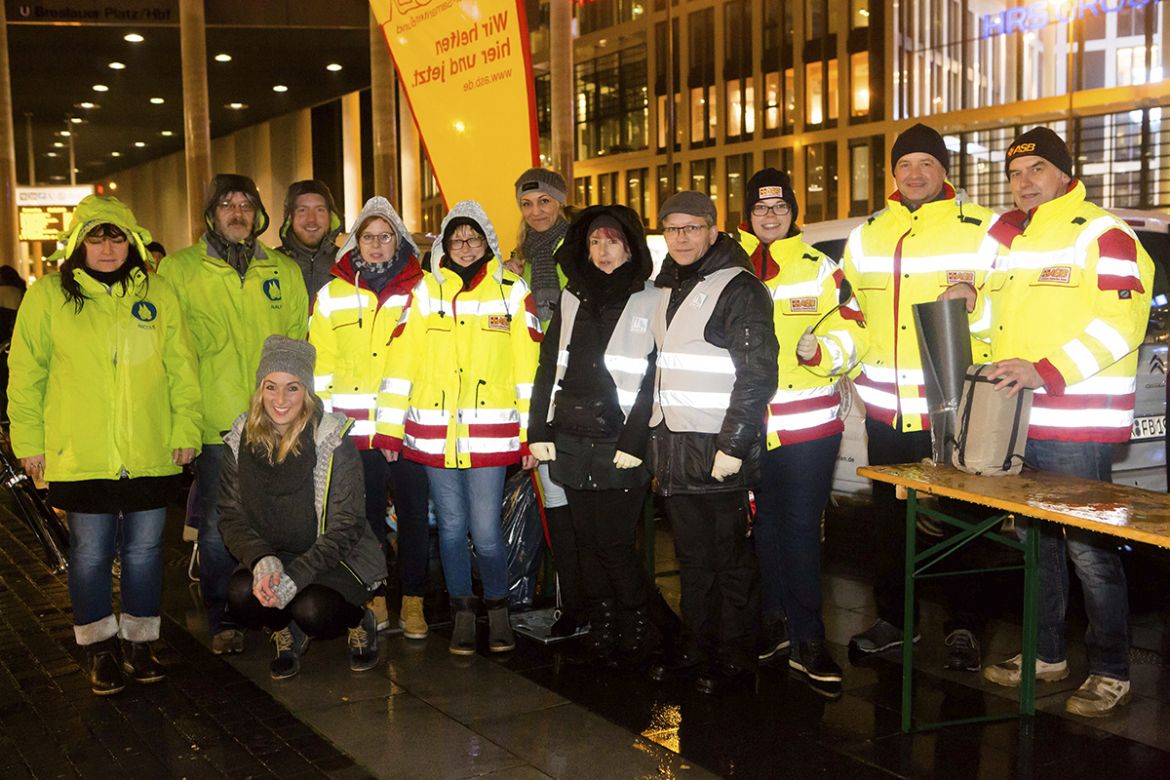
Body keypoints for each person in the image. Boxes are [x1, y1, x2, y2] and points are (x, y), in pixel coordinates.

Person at [944, 127, 1152, 717]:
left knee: (1091, 551)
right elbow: (996, 335)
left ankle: (1111, 669)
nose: (1025, 181)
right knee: (1036, 544)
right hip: (1015, 422)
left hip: (1075, 422)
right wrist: (972, 301)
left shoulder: (1104, 234)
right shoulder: (1010, 245)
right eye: (1015, 173)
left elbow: (1121, 325)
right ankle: (1046, 654)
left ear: (1064, 174)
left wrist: (1046, 371)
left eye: (1037, 168)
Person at [8, 195, 201, 695]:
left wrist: (185, 430)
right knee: (90, 556)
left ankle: (139, 642)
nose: (107, 248)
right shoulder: (49, 296)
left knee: (144, 552)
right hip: (80, 453)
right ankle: (98, 648)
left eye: (116, 236)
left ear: (131, 242)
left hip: (149, 449)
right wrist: (30, 443)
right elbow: (26, 376)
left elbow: (182, 368)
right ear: (78, 244)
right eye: (96, 237)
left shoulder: (157, 293)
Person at [843, 123, 999, 672]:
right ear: (893, 174)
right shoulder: (868, 235)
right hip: (888, 407)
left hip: (956, 406)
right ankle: (896, 622)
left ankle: (965, 626)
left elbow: (1011, 310)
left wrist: (975, 299)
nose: (914, 174)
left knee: (963, 519)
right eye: (904, 165)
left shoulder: (984, 229)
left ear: (944, 170)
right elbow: (850, 312)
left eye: (926, 164)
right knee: (889, 520)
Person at [376, 201, 541, 656]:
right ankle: (463, 611)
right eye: (456, 238)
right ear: (444, 245)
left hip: (491, 436)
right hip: (434, 434)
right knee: (449, 528)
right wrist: (389, 429)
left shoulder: (511, 291)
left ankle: (499, 608)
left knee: (485, 530)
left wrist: (530, 435)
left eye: (473, 238)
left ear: (487, 242)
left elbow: (529, 370)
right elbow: (399, 364)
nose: (464, 247)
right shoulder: (424, 293)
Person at [159, 174, 309, 656]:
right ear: (210, 213)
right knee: (220, 526)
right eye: (227, 203)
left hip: (278, 420)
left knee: (279, 518)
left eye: (246, 203)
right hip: (215, 423)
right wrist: (181, 421)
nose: (238, 211)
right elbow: (171, 354)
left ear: (260, 213)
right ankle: (224, 614)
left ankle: (276, 609)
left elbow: (298, 345)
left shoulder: (282, 270)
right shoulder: (180, 271)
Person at [645, 191, 778, 695]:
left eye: (691, 228)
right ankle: (698, 647)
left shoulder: (739, 287)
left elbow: (758, 373)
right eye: (671, 229)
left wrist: (734, 446)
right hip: (677, 448)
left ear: (712, 229)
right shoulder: (669, 285)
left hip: (719, 449)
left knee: (730, 562)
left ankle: (737, 657)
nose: (680, 238)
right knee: (693, 560)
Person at [736, 169, 862, 689]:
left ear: (792, 213)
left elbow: (855, 334)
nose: (770, 216)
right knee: (759, 531)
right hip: (742, 428)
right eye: (761, 208)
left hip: (807, 429)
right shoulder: (725, 266)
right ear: (748, 213)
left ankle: (809, 637)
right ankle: (772, 623)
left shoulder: (820, 269)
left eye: (780, 207)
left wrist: (822, 353)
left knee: (800, 530)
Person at [528, 205, 664, 665]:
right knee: (586, 542)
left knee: (614, 542)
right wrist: (538, 428)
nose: (603, 251)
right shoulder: (572, 296)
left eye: (613, 241)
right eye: (594, 242)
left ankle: (636, 620)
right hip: (571, 435)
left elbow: (654, 377)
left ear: (630, 246)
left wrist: (635, 439)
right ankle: (603, 620)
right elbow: (549, 365)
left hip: (620, 439)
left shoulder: (652, 298)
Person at [219, 336, 386, 679]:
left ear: (307, 392)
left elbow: (347, 526)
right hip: (274, 551)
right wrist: (261, 559)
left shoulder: (332, 439)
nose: (280, 400)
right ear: (259, 389)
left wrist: (297, 575)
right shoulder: (240, 439)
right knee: (239, 595)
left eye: (292, 388)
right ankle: (283, 628)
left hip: (333, 556)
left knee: (312, 609)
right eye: (271, 387)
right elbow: (230, 514)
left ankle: (359, 620)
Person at [310, 196, 431, 638]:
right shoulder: (330, 295)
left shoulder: (424, 291)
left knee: (416, 516)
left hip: (412, 431)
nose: (377, 245)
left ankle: (414, 601)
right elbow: (319, 368)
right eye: (368, 236)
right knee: (366, 521)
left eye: (385, 236)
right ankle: (374, 594)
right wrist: (326, 429)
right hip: (354, 434)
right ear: (355, 242)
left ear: (398, 240)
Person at [507, 167, 583, 637]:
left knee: (580, 502)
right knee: (554, 497)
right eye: (527, 204)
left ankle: (584, 598)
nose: (536, 211)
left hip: (576, 388)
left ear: (560, 203)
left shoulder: (578, 250)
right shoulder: (520, 259)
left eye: (544, 202)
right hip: (538, 389)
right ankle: (571, 600)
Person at [278, 180, 343, 307]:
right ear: (290, 217)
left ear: (331, 217)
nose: (311, 219)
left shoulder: (347, 264)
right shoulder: (270, 265)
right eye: (302, 210)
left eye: (319, 210)